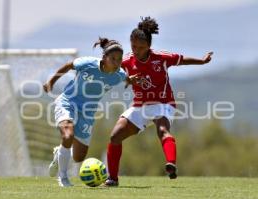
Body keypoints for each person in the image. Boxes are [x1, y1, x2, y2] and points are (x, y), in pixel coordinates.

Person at [104, 17, 213, 186]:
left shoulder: (161, 57)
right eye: (133, 46)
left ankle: (171, 164)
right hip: (140, 106)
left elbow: (182, 59)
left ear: (148, 46)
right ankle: (112, 178)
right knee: (115, 136)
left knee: (162, 129)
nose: (137, 50)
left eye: (141, 47)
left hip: (163, 103)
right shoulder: (126, 61)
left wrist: (202, 60)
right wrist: (127, 80)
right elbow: (116, 74)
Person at [43, 37, 138, 187]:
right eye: (113, 58)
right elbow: (68, 66)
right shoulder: (87, 63)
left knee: (78, 156)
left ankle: (59, 153)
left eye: (119, 59)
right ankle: (63, 177)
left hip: (87, 112)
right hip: (69, 102)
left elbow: (126, 79)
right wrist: (51, 82)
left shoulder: (118, 74)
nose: (117, 62)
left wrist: (131, 80)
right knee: (68, 135)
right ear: (104, 57)